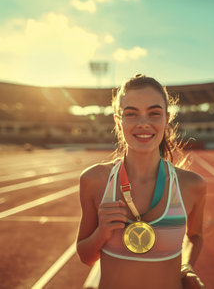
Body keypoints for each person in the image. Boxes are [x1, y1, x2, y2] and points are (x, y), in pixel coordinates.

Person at [76, 74, 206, 289]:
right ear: (118, 121)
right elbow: (85, 256)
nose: (143, 123)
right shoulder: (94, 180)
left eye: (154, 113)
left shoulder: (192, 185)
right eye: (131, 114)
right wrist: (101, 233)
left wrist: (187, 268)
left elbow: (195, 236)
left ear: (167, 119)